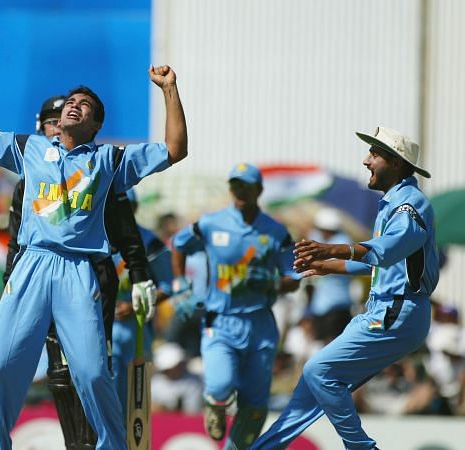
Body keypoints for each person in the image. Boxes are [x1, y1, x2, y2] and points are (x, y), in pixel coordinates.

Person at [0, 44, 187, 449]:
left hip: (78, 273)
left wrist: (169, 90)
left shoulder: (108, 161)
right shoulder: (31, 149)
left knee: (93, 372)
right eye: (71, 102)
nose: (74, 106)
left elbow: (174, 149)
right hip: (31, 266)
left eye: (85, 105)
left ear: (95, 125)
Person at [251, 127, 439, 450]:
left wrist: (331, 250)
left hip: (398, 313)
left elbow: (386, 250)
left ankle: (362, 448)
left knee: (319, 370)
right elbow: (380, 261)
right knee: (311, 390)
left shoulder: (410, 205)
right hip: (390, 311)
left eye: (374, 154)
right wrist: (328, 266)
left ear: (394, 163)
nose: (366, 160)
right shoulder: (395, 202)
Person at [4, 96, 153, 448]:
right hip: (36, 278)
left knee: (86, 371)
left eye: (61, 119)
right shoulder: (29, 175)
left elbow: (126, 230)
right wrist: (12, 282)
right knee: (57, 370)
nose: (56, 126)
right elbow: (15, 242)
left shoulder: (97, 169)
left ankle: (92, 443)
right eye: (50, 122)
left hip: (90, 277)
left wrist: (140, 273)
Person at [170, 163, 300, 449]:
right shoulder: (211, 223)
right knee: (219, 384)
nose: (240, 191)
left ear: (259, 190)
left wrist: (271, 283)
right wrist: (180, 284)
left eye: (246, 185)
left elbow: (294, 277)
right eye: (235, 185)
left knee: (254, 405)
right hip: (221, 320)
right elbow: (178, 244)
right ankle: (214, 404)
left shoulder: (276, 231)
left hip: (260, 324)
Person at [111, 188, 173, 418]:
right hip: (98, 329)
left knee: (132, 403)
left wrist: (136, 304)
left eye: (127, 207)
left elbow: (168, 286)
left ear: (135, 208)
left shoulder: (151, 243)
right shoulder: (93, 238)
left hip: (136, 333)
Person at [305, 207, 354, 344]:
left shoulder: (343, 242)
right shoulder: (320, 238)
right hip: (320, 305)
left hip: (337, 304)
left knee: (332, 342)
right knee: (321, 344)